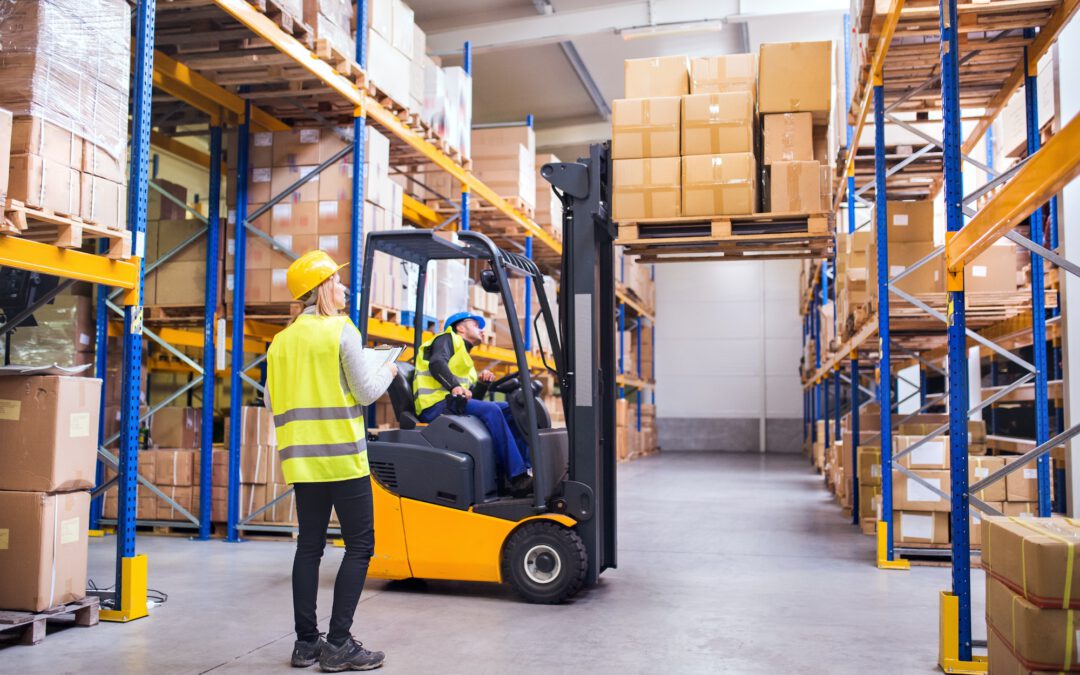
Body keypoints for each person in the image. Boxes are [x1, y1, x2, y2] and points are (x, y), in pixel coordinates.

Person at [266, 250, 397, 672]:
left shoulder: (281, 342)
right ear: (322, 288)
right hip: (342, 459)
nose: (343, 288)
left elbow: (271, 398)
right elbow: (364, 391)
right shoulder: (341, 330)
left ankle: (306, 644)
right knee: (360, 547)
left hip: (302, 462)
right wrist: (390, 371)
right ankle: (339, 643)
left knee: (309, 548)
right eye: (337, 282)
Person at [412, 312, 533, 496]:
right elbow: (436, 363)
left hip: (450, 403)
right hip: (434, 407)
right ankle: (517, 477)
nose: (481, 329)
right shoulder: (446, 339)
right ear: (460, 327)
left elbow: (471, 398)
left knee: (511, 409)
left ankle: (526, 468)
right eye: (476, 324)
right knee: (492, 410)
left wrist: (482, 384)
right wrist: (454, 386)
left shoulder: (464, 358)